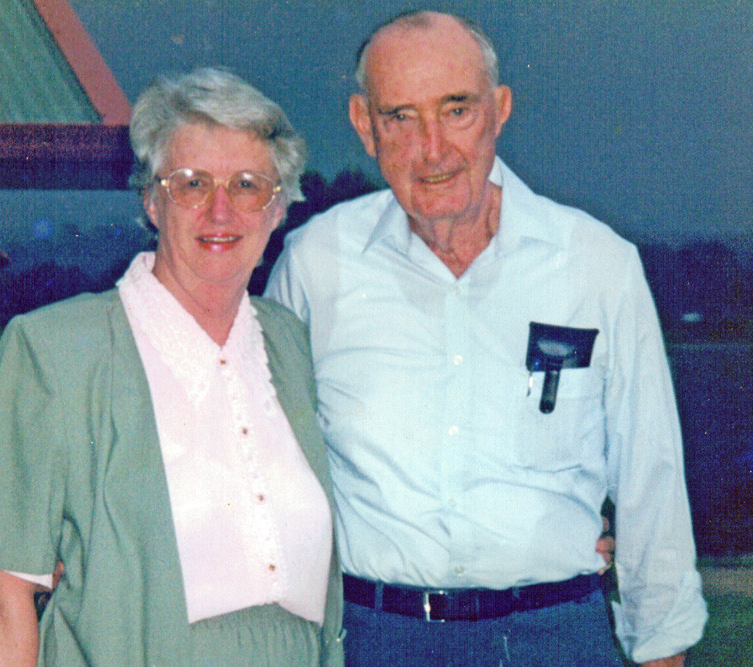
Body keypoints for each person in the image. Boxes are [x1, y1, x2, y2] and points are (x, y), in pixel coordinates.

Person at [265, 10, 706, 667]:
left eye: (457, 109)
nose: (433, 147)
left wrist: (661, 643)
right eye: (401, 117)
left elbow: (652, 472)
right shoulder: (315, 264)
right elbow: (260, 461)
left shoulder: (595, 263)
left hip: (557, 639)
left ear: (499, 110)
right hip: (373, 639)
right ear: (365, 126)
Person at [0, 68, 344, 666]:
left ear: (278, 211)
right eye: (192, 184)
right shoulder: (54, 350)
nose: (222, 212)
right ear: (151, 201)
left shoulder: (287, 344)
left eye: (248, 185)